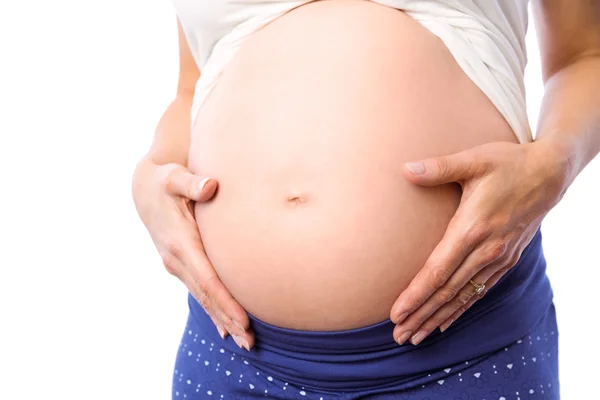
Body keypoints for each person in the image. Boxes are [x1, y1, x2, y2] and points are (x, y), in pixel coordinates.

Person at [131, 0, 600, 398]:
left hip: (463, 347)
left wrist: (555, 162)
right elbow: (193, 86)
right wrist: (152, 172)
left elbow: (586, 54)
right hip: (236, 353)